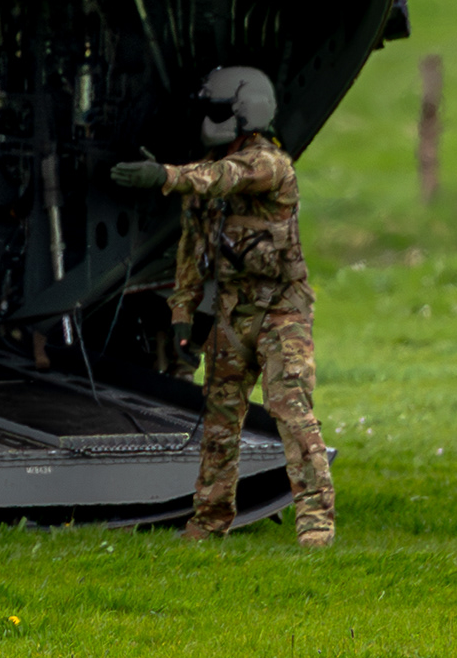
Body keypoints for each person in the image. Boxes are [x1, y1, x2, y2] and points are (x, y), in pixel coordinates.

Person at [110, 65, 335, 546]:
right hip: (233, 313)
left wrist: (163, 176)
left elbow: (224, 178)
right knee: (219, 422)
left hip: (281, 311)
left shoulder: (269, 164)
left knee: (291, 413)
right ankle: (209, 521)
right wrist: (182, 315)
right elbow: (193, 254)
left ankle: (316, 523)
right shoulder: (205, 173)